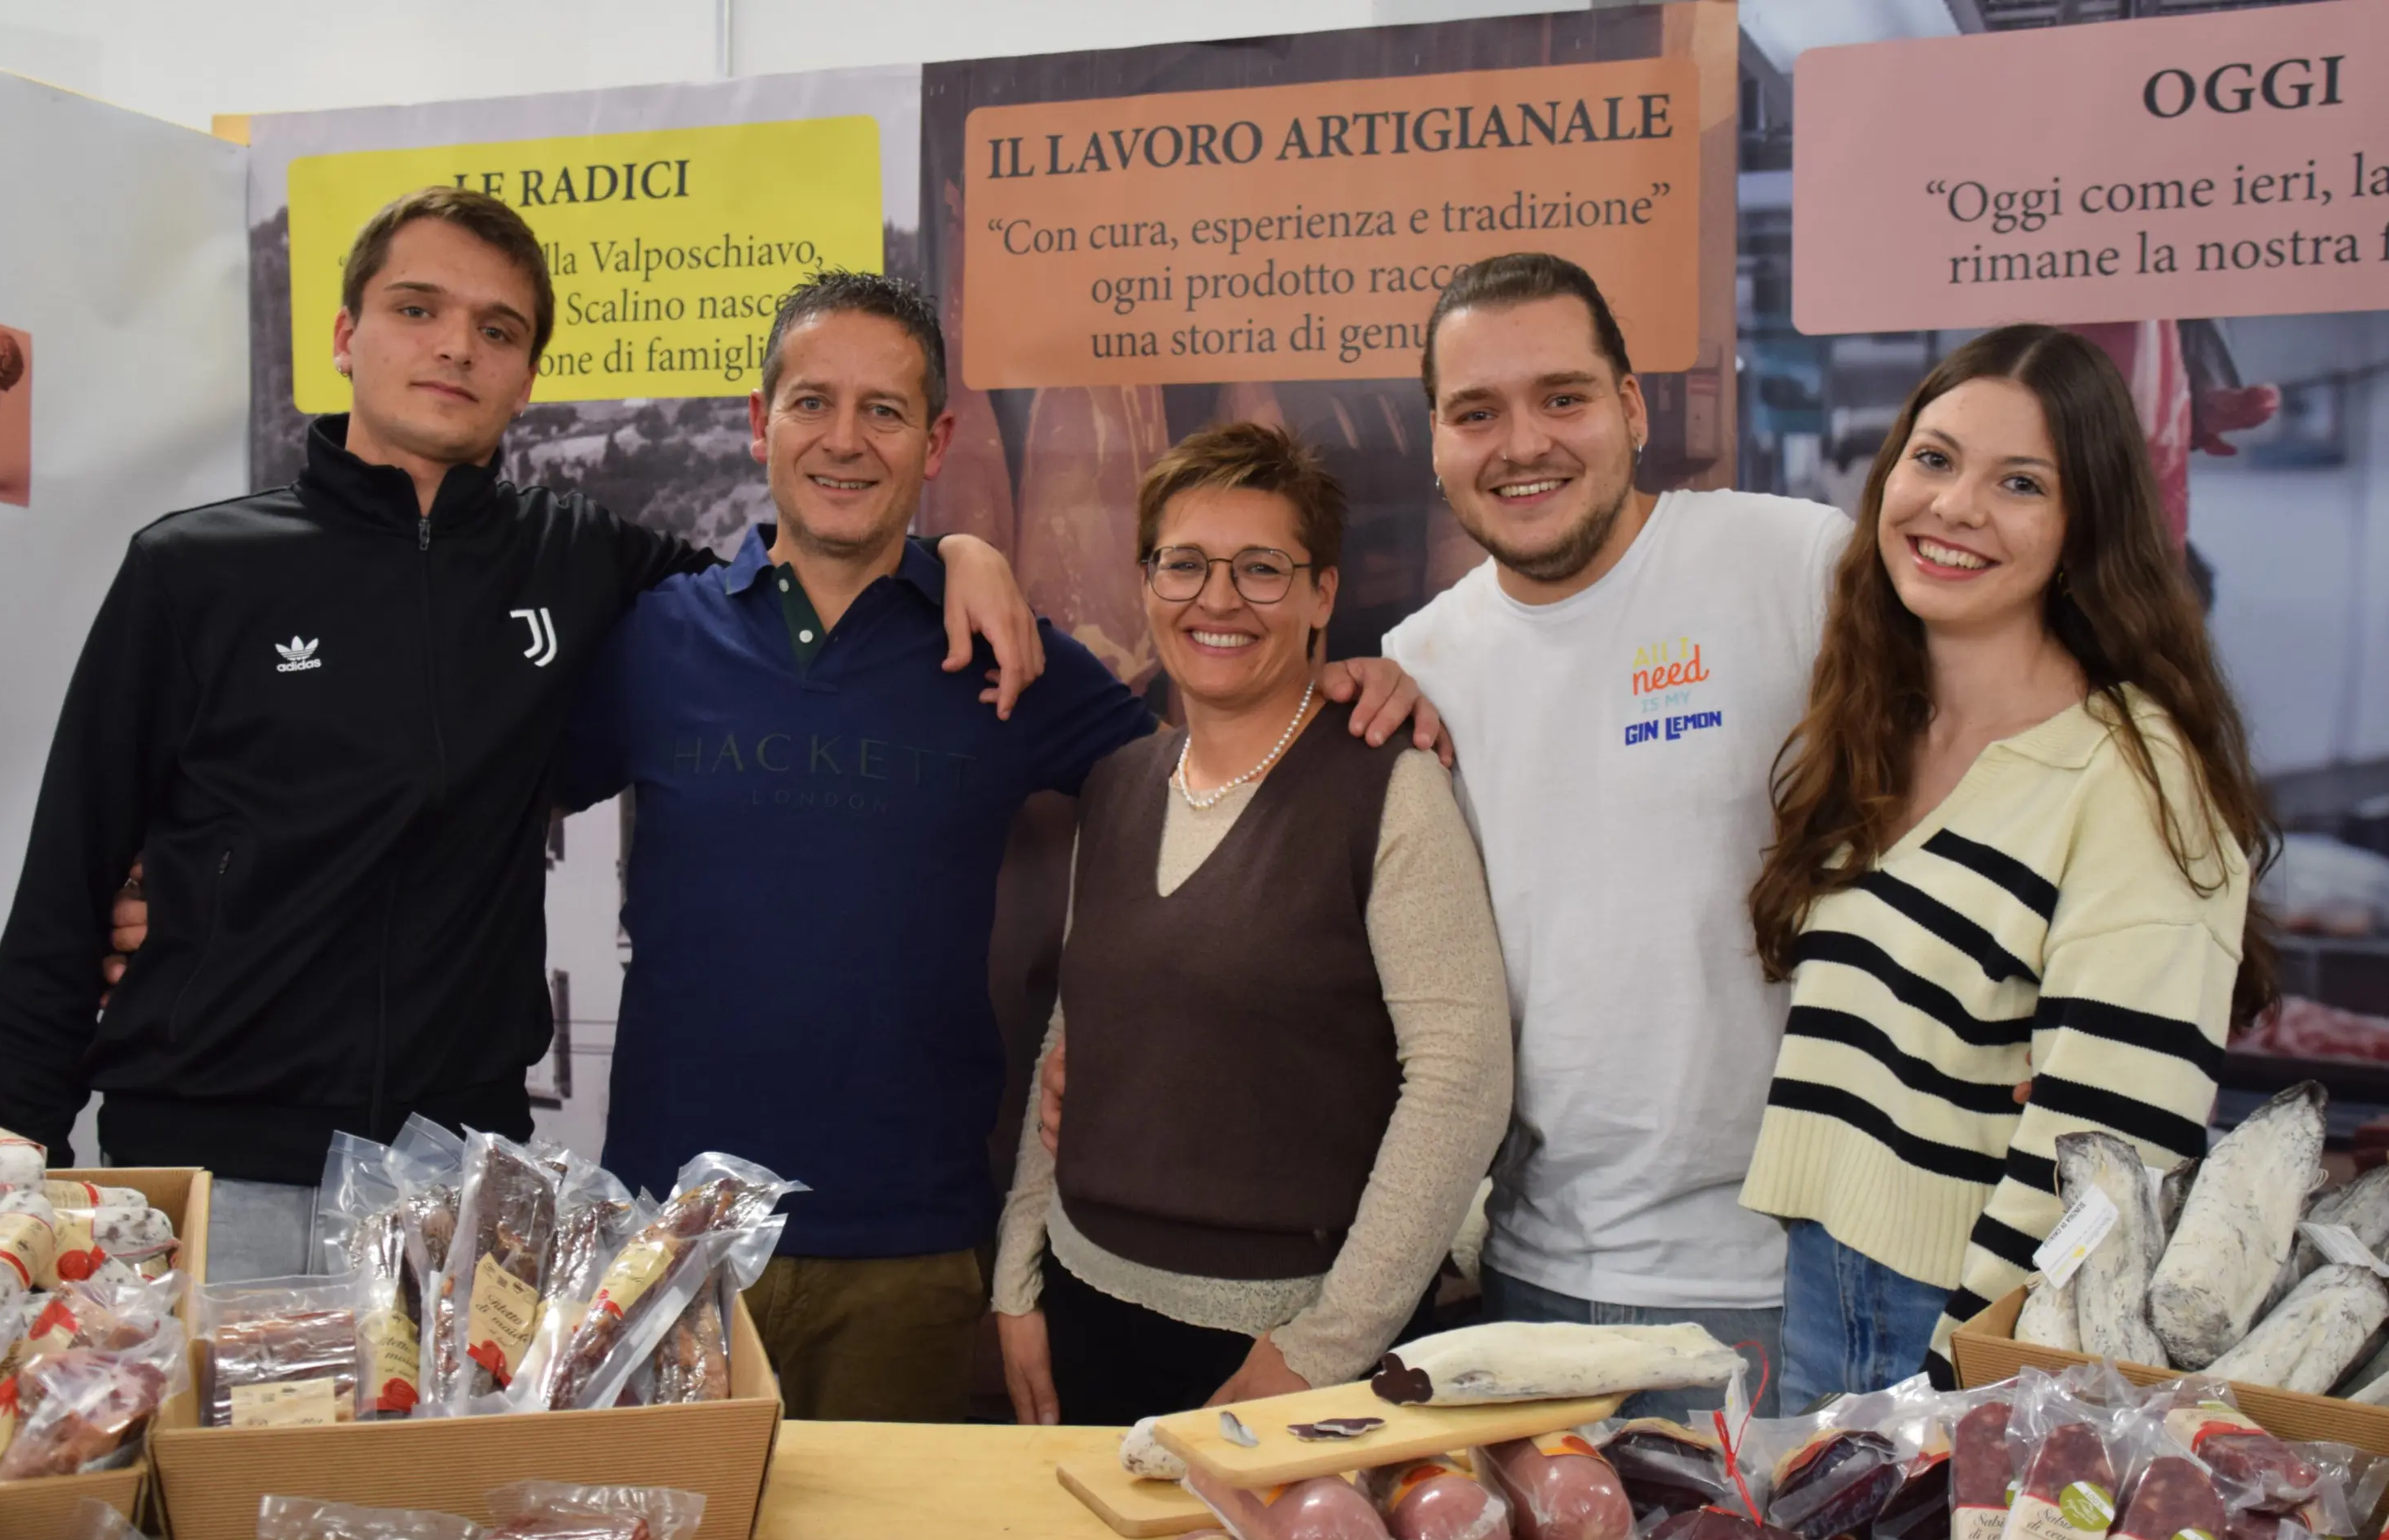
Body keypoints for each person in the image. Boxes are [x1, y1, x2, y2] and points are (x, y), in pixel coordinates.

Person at [0, 187, 1044, 1280]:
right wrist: (20, 1132)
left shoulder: (581, 561)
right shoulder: (193, 570)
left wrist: (957, 553)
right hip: (209, 1173)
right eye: (418, 310)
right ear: (346, 337)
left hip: (451, 1180)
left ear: (529, 375)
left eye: (498, 330)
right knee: (203, 1459)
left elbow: (793, 579)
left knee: (431, 1466)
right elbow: (76, 853)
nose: (455, 349)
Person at [552, 274, 1437, 1422]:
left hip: (911, 1250)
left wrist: (1343, 680)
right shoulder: (653, 638)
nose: (845, 440)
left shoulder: (1001, 651)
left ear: (938, 439)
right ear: (757, 421)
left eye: (885, 410)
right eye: (813, 402)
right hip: (672, 1239)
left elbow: (1219, 769)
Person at [1039, 255, 1847, 1419]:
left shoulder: (1796, 566)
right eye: (1477, 412)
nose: (1522, 443)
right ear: (1434, 443)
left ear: (1630, 404)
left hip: (1769, 1283)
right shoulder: (1414, 667)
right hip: (1517, 1271)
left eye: (1561, 397)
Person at [1739, 324, 2272, 1407]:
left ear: (2086, 528)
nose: (1954, 506)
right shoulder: (1879, 721)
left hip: (1971, 1321)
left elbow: (2120, 1150)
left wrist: (1970, 1363)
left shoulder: (2129, 770)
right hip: (1817, 1280)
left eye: (2020, 482)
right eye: (1934, 459)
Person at [988, 423, 1514, 1427]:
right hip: (1085, 1310)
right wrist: (1019, 1276)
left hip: (1285, 1345)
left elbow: (1463, 1080)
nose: (1217, 599)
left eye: (1261, 568)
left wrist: (1322, 1351)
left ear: (1323, 594)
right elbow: (1074, 1039)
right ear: (1146, 584)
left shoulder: (1387, 788)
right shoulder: (1116, 785)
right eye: (1183, 564)